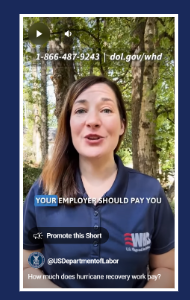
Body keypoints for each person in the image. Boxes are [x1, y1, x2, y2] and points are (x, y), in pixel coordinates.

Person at [23, 76, 175, 288]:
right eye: (80, 110)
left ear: (122, 125)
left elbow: (166, 268)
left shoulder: (150, 191)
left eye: (106, 109)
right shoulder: (44, 189)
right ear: (68, 124)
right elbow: (26, 267)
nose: (92, 120)